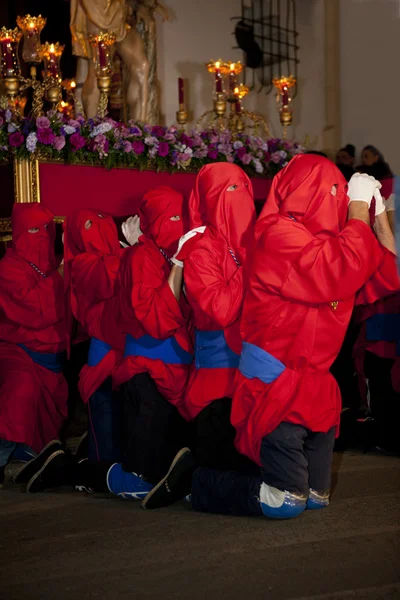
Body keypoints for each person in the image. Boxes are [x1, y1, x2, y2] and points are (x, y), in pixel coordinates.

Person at [142, 155, 399, 517]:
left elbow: (389, 273)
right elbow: (338, 268)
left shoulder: (334, 246)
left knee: (316, 499)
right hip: (274, 386)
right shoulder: (279, 235)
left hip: (313, 388)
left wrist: (377, 215)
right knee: (287, 502)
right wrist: (357, 208)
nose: (336, 197)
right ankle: (195, 482)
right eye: (331, 190)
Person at [24, 186, 193, 497]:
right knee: (111, 454)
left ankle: (65, 463)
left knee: (126, 447)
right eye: (90, 225)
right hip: (106, 365)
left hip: (129, 360)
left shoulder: (148, 254)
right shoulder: (87, 265)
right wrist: (135, 245)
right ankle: (65, 469)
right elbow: (117, 278)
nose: (98, 229)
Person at [142, 163, 257, 509]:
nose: (237, 201)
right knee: (243, 477)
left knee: (265, 469)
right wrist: (253, 269)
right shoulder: (202, 247)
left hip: (253, 374)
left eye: (243, 190)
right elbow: (220, 310)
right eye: (228, 192)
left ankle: (193, 467)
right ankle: (191, 473)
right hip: (218, 381)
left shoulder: (256, 240)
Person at [0, 204, 67, 486]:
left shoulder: (52, 262)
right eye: (33, 230)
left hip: (52, 358)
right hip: (18, 350)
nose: (41, 236)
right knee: (20, 394)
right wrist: (61, 276)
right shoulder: (8, 267)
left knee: (44, 432)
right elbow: (35, 309)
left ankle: (26, 454)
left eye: (46, 229)